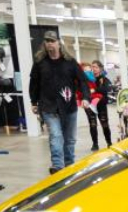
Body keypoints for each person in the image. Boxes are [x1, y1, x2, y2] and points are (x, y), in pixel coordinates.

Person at [29, 31, 89, 174]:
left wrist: (86, 97)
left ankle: (69, 165)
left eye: (52, 40)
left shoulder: (70, 62)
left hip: (69, 106)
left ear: (58, 43)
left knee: (70, 139)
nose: (49, 43)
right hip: (48, 106)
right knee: (56, 135)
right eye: (47, 41)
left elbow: (82, 81)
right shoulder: (39, 63)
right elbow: (34, 83)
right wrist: (34, 102)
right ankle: (57, 166)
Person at [84, 60, 114, 150]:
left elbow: (106, 89)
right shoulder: (88, 79)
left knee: (104, 124)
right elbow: (84, 89)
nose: (94, 69)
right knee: (92, 124)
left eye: (96, 67)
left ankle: (109, 142)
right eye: (92, 67)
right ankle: (95, 144)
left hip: (101, 105)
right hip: (90, 105)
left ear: (100, 68)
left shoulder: (104, 79)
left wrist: (94, 90)